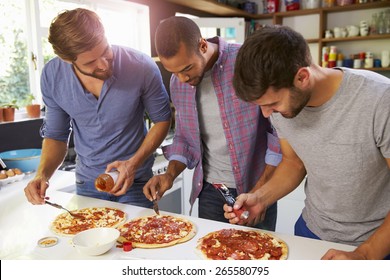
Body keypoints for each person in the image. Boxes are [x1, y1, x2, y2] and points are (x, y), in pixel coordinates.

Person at [225, 25, 390, 259]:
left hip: (375, 244)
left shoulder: (380, 100)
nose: (266, 114)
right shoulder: (280, 109)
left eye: (271, 104)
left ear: (302, 77)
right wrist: (260, 199)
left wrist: (364, 255)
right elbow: (293, 162)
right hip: (309, 231)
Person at [143, 16, 281, 230]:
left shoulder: (248, 62)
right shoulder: (178, 84)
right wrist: (168, 175)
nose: (182, 78)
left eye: (187, 68)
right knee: (210, 255)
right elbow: (184, 137)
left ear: (203, 45)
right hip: (210, 190)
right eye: (174, 72)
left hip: (258, 186)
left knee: (259, 258)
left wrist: (260, 192)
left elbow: (279, 135)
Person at [24, 8, 171, 208]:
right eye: (91, 62)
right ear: (68, 60)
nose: (103, 64)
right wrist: (42, 175)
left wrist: (132, 164)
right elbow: (56, 136)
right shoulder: (52, 76)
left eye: (105, 51)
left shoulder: (141, 66)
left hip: (135, 183)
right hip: (87, 185)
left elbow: (162, 120)